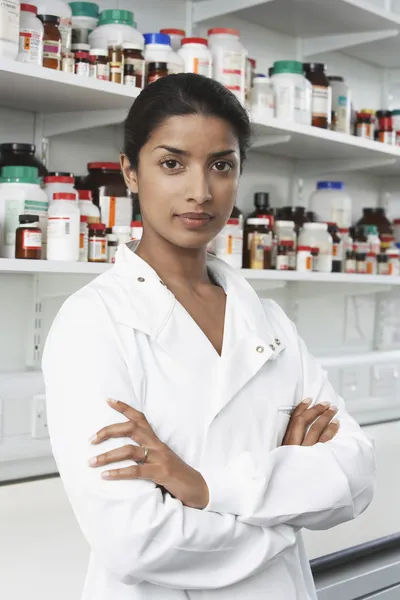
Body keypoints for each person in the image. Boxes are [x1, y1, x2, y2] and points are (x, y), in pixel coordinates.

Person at [42, 74, 376, 600]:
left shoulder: (268, 322)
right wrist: (285, 513)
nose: (201, 191)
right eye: (172, 163)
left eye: (221, 165)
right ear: (130, 171)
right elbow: (136, 542)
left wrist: (203, 488)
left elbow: (353, 474)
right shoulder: (92, 323)